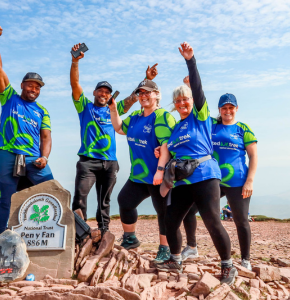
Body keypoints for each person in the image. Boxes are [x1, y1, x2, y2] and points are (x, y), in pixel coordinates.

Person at [155, 42, 238, 285]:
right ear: (174, 104)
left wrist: (190, 61)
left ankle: (228, 266)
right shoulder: (176, 127)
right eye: (178, 101)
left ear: (192, 101)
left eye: (185, 100)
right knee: (170, 220)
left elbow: (198, 89)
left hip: (205, 175)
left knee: (212, 219)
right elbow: (170, 151)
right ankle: (175, 258)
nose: (182, 104)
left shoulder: (200, 116)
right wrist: (162, 152)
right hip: (182, 180)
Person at [177, 89, 258, 270]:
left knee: (241, 220)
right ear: (219, 109)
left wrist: (250, 181)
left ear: (236, 108)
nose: (227, 111)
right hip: (212, 180)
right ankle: (192, 247)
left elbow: (253, 156)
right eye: (224, 108)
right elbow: (197, 110)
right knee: (189, 211)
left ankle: (245, 259)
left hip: (237, 181)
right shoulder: (211, 125)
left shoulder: (243, 129)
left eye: (231, 107)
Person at [0, 25, 54, 237]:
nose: (34, 89)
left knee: (53, 191)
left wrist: (44, 157)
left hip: (34, 158)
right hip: (8, 153)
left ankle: (56, 232)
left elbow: (46, 137)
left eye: (38, 87)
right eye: (30, 85)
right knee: (6, 198)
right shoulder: (9, 98)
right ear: (22, 85)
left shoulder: (43, 111)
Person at [70, 43, 139, 233]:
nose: (104, 93)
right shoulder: (85, 106)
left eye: (107, 92)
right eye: (100, 90)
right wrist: (75, 62)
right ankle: (79, 233)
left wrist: (146, 79)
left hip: (110, 162)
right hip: (88, 161)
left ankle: (104, 231)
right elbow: (75, 85)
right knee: (80, 198)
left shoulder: (113, 109)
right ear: (94, 93)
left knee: (104, 200)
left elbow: (134, 98)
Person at [109, 67, 176, 263]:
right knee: (125, 201)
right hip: (138, 174)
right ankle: (130, 238)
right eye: (141, 93)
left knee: (163, 211)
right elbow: (120, 128)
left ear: (157, 95)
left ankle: (165, 248)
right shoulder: (137, 118)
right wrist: (114, 110)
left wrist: (161, 171)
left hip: (158, 174)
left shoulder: (162, 116)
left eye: (148, 92)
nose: (144, 96)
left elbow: (166, 145)